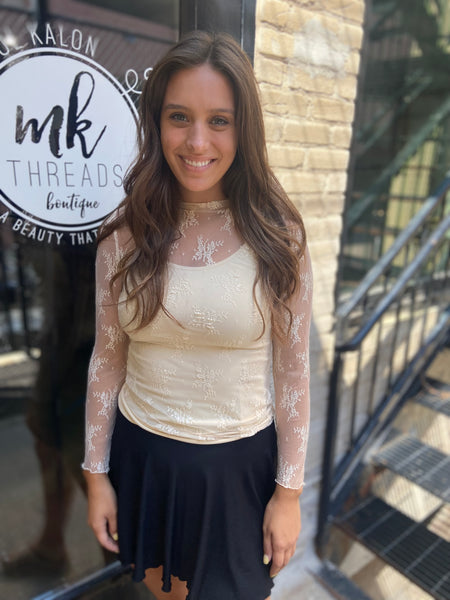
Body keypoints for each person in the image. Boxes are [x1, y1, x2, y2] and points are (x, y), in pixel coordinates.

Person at [82, 30, 312, 600]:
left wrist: (288, 494)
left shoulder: (279, 239)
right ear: (157, 124)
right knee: (161, 593)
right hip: (145, 459)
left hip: (238, 473)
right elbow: (107, 362)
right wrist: (95, 475)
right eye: (179, 116)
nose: (197, 140)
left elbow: (294, 372)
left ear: (244, 129)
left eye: (219, 120)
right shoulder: (122, 239)